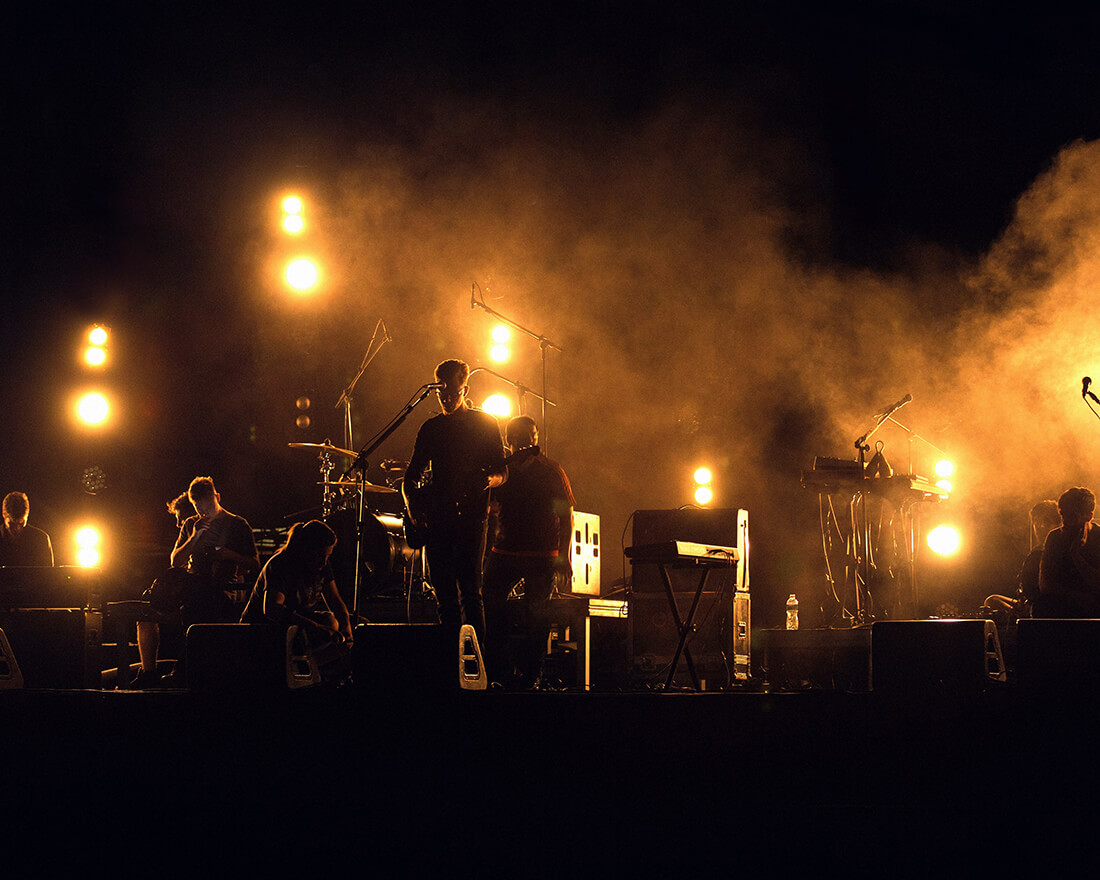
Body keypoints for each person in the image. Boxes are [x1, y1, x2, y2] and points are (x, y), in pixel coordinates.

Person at [402, 359, 508, 642]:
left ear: (466, 389)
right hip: (439, 519)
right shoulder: (431, 428)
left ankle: (477, 668)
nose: (447, 398)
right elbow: (410, 476)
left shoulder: (485, 423)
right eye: (442, 393)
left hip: (473, 518)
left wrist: (487, 480)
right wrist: (414, 508)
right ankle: (450, 663)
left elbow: (502, 471)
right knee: (444, 595)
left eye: (453, 392)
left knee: (471, 593)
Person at [133, 476, 259, 687]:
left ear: (217, 497)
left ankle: (184, 670)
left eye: (207, 507)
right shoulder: (192, 524)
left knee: (201, 607)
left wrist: (227, 555)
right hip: (192, 588)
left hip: (224, 590)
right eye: (198, 508)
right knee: (147, 609)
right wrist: (194, 537)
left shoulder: (238, 525)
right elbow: (175, 560)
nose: (203, 513)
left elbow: (255, 564)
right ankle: (149, 673)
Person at [483, 416, 574, 689]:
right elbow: (488, 512)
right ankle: (500, 669)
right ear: (510, 440)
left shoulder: (551, 470)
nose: (530, 440)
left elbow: (566, 517)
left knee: (538, 614)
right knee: (488, 602)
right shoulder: (502, 471)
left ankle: (530, 674)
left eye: (532, 435)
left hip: (541, 553)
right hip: (506, 550)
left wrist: (563, 556)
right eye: (523, 436)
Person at [240, 520, 353, 680]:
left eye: (328, 556)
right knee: (329, 624)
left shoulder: (321, 566)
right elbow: (272, 609)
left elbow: (335, 600)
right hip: (263, 630)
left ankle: (311, 669)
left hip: (293, 627)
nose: (324, 562)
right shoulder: (280, 565)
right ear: (306, 550)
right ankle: (296, 671)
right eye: (320, 555)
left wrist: (347, 627)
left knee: (354, 626)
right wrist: (316, 626)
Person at [983, 499, 1060, 618]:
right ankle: (1019, 613)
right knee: (992, 600)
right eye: (1036, 522)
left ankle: (1022, 615)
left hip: (1047, 605)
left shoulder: (1057, 550)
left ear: (1059, 523)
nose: (1040, 526)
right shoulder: (1036, 551)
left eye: (1046, 521)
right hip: (1029, 602)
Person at [1034, 487, 1100, 618]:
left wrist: (1076, 557)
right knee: (1042, 604)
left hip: (1094, 605)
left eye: (1072, 516)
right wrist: (1078, 597)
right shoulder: (1055, 537)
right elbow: (1045, 584)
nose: (1065, 521)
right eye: (1063, 515)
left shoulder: (1098, 538)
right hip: (1063, 603)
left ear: (1090, 515)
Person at [0, 492, 54, 567]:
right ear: (3, 514)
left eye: (22, 524)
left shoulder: (40, 539)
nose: (17, 529)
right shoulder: (40, 538)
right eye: (12, 525)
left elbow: (48, 576)